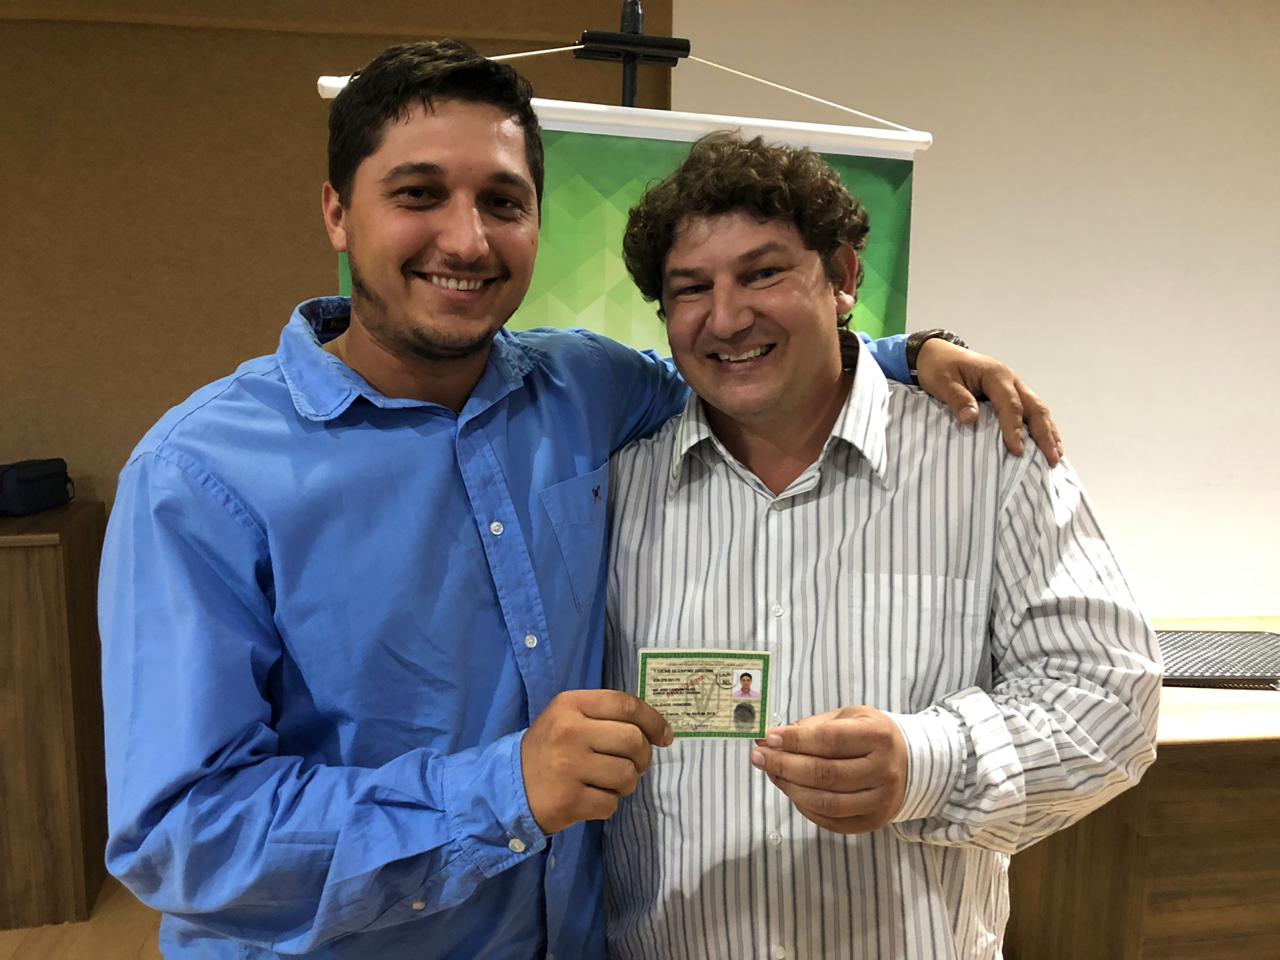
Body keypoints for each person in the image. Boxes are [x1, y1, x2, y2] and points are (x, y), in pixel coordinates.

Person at [99, 41, 1064, 960]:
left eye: (503, 201)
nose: (467, 239)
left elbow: (738, 362)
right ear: (337, 213)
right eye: (419, 194)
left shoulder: (584, 389)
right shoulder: (202, 476)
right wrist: (504, 790)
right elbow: (181, 835)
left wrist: (909, 353)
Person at [602, 132, 1161, 960]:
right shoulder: (613, 486)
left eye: (763, 273)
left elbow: (1110, 700)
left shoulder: (988, 458)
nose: (726, 316)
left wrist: (927, 761)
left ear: (843, 277)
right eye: (691, 288)